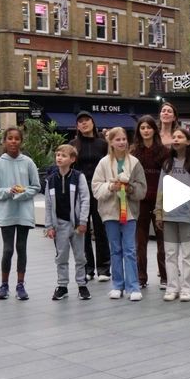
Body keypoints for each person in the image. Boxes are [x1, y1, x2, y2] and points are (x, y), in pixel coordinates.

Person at [92, 127, 147, 301]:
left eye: (124, 139)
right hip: (110, 212)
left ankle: (133, 286)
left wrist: (129, 188)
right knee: (115, 249)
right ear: (111, 142)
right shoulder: (103, 163)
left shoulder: (135, 162)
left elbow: (142, 188)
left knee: (130, 249)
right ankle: (117, 284)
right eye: (118, 139)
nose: (122, 142)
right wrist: (110, 187)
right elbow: (96, 187)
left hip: (129, 213)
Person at [155, 128, 190, 301]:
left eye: (180, 136)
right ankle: (172, 288)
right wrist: (159, 213)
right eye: (174, 136)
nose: (176, 139)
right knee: (170, 254)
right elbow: (161, 191)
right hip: (169, 217)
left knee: (188, 256)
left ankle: (187, 289)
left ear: (188, 141)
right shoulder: (167, 164)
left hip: (188, 218)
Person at [0, 127, 40, 300]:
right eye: (10, 138)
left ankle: (20, 285)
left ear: (21, 141)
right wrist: (9, 191)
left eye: (16, 138)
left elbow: (36, 186)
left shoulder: (28, 162)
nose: (13, 141)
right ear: (4, 141)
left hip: (24, 212)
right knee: (7, 250)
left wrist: (22, 193)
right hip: (6, 212)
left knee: (21, 248)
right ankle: (4, 284)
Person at [45, 144, 91, 301]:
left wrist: (83, 221)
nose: (59, 157)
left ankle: (82, 285)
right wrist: (49, 226)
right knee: (61, 256)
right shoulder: (50, 180)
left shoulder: (79, 177)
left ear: (72, 159)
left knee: (80, 255)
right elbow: (48, 204)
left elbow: (85, 199)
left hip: (77, 225)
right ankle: (62, 286)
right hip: (59, 225)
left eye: (63, 155)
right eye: (57, 154)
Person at [70, 111, 110, 282]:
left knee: (101, 229)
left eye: (87, 120)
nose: (84, 123)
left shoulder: (102, 144)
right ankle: (88, 267)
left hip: (99, 190)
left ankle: (104, 268)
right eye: (80, 121)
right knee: (83, 230)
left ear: (93, 123)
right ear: (77, 126)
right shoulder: (73, 144)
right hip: (80, 191)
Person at [131, 115, 169, 290]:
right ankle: (141, 277)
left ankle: (164, 276)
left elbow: (169, 177)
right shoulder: (133, 152)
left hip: (160, 201)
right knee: (140, 241)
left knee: (162, 241)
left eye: (149, 127)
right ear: (139, 131)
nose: (146, 130)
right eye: (142, 127)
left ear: (154, 129)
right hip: (140, 201)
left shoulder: (164, 152)